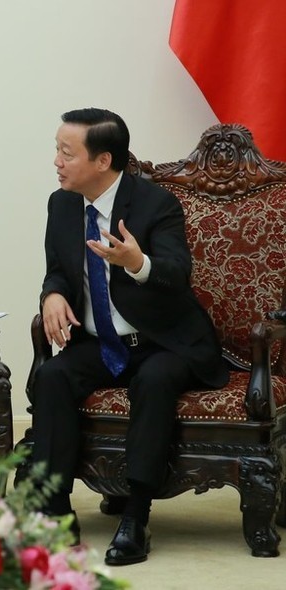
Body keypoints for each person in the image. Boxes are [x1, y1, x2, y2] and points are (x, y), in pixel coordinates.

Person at [31, 108, 228, 565]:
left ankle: (136, 517)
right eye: (56, 150)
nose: (56, 161)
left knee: (154, 381)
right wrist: (52, 296)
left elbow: (177, 275)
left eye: (66, 152)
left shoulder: (156, 204)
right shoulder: (61, 203)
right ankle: (55, 510)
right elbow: (58, 270)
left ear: (103, 161)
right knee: (53, 377)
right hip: (101, 344)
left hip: (164, 341)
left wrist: (137, 263)